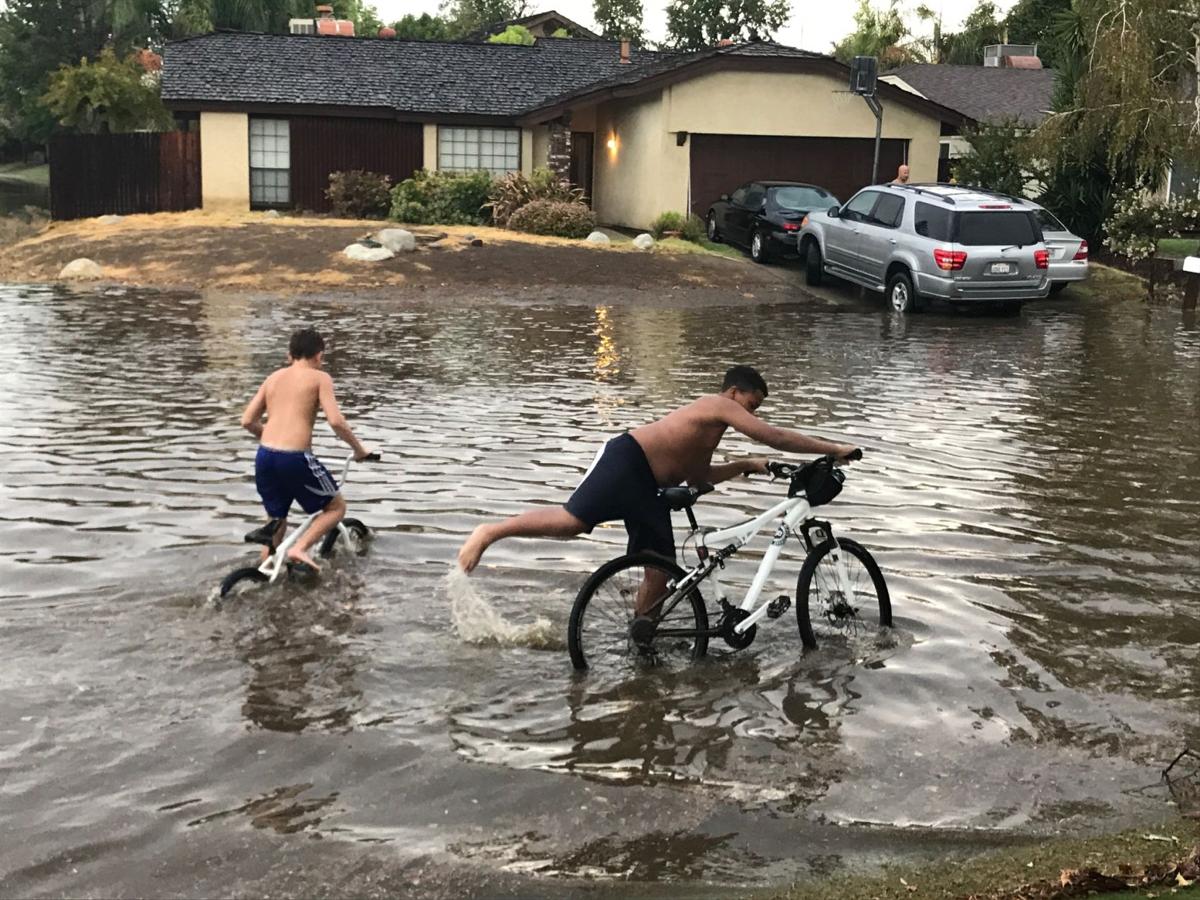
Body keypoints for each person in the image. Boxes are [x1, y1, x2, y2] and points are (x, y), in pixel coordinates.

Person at [457, 366, 858, 612]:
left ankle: (642, 635)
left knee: (659, 570)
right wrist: (833, 449)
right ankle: (489, 531)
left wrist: (747, 466)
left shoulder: (706, 433)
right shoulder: (715, 404)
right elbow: (773, 436)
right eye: (751, 404)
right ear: (733, 393)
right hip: (627, 460)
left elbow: (701, 480)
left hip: (650, 490)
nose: (750, 414)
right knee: (573, 522)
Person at [240, 327, 370, 572]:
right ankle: (300, 549)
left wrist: (268, 436)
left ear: (290, 355)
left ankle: (264, 571)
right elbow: (336, 421)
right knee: (336, 507)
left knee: (276, 521)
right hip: (295, 458)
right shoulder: (320, 378)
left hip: (265, 457)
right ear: (319, 356)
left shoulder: (273, 377)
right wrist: (359, 449)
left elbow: (247, 420)